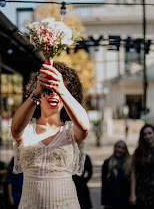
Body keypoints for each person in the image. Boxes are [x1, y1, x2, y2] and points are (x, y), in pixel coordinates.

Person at [11, 62, 90, 209]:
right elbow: (15, 129)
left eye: (59, 90)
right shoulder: (26, 129)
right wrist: (37, 92)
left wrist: (61, 88)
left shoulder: (71, 131)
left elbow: (85, 127)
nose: (54, 94)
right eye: (48, 89)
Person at [101, 140, 131, 209]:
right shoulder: (107, 163)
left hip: (126, 200)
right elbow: (104, 184)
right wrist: (105, 202)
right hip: (112, 200)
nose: (120, 150)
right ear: (114, 148)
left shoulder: (129, 164)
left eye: (123, 148)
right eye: (118, 147)